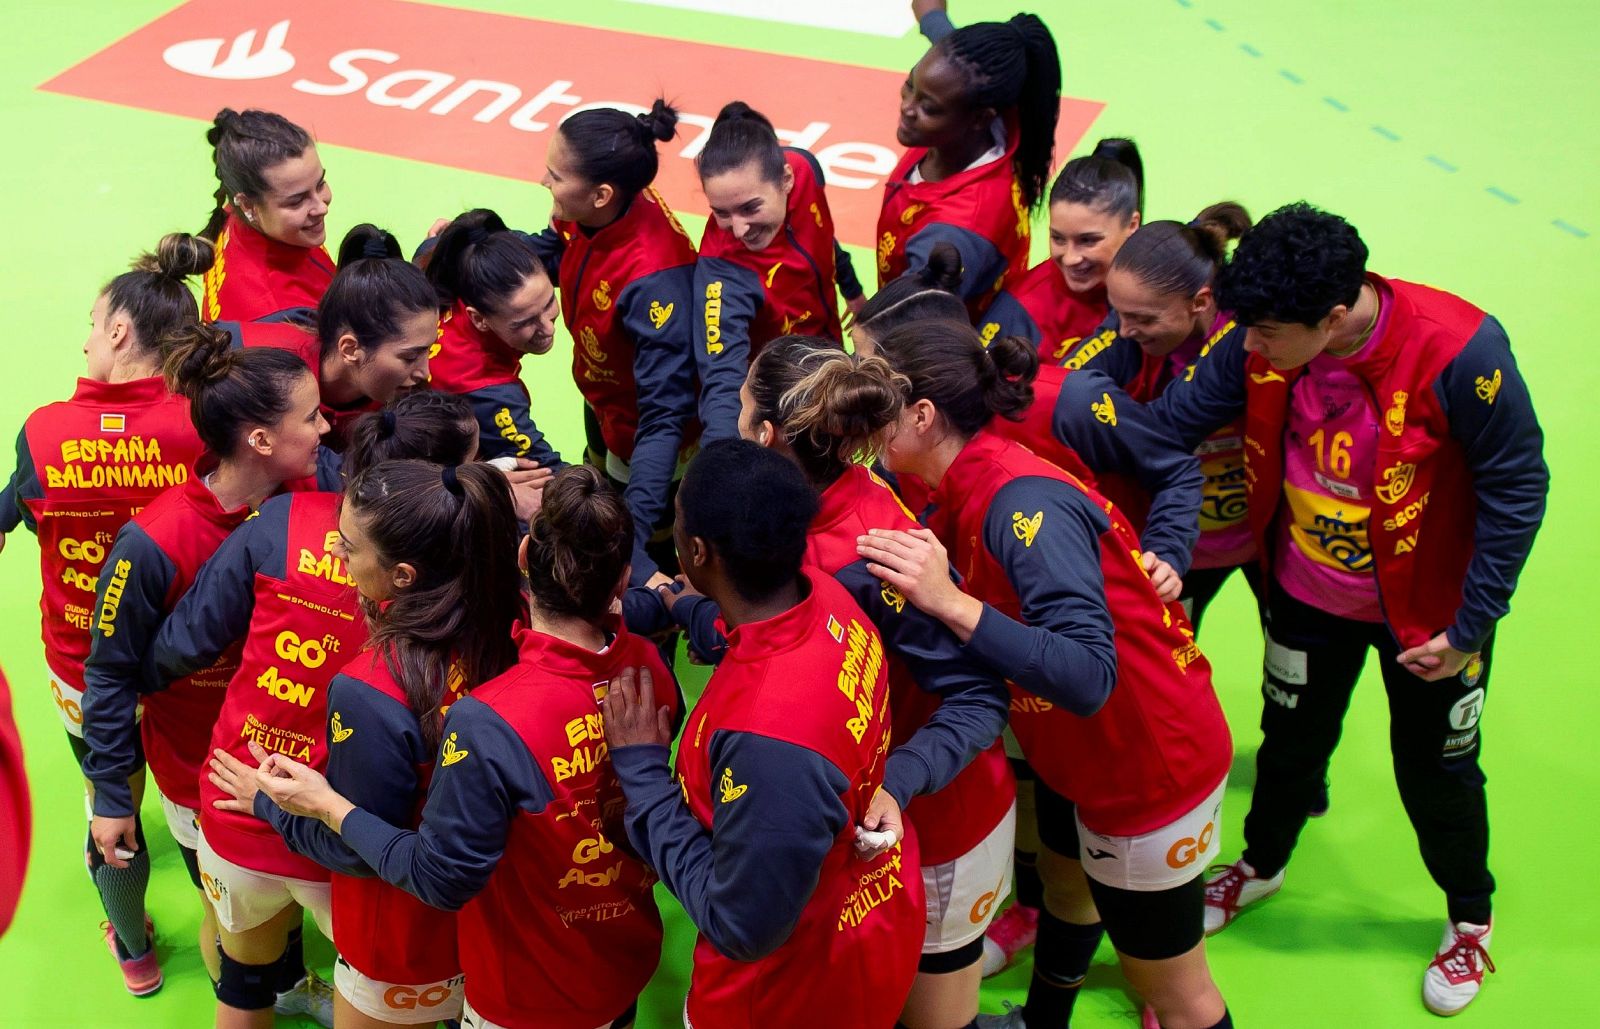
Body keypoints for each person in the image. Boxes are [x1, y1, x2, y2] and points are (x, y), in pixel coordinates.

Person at [1153, 203, 1548, 1017]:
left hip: (1432, 621)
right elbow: (1170, 425)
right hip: (1304, 595)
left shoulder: (1462, 351)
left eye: (1265, 335)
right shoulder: (1261, 333)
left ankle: (1470, 916)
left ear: (1333, 317)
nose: (1248, 348)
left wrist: (1468, 626)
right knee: (1290, 741)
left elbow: (1518, 490)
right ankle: (1261, 865)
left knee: (1437, 774)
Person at [856, 320, 1234, 1029]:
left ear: (921, 415)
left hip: (1147, 765)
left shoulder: (1017, 502)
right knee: (1068, 890)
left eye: (870, 400)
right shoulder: (960, 482)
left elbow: (1089, 674)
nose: (858, 417)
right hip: (1088, 753)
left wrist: (951, 601)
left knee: (1175, 991)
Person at [244, 466, 677, 1029]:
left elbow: (441, 874)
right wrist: (678, 603)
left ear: (526, 554)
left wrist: (312, 805)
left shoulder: (483, 713)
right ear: (622, 581)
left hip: (519, 990)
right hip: (622, 953)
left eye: (349, 548)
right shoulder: (647, 669)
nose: (339, 558)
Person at [655, 341, 1010, 1029]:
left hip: (929, 821)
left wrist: (898, 782)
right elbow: (751, 630)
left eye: (738, 404)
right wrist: (684, 603)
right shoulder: (803, 528)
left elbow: (979, 695)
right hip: (854, 829)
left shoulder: (865, 557)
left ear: (764, 435)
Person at [151, 397, 480, 1029]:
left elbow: (181, 643)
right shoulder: (463, 601)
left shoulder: (277, 521)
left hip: (241, 799)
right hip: (358, 849)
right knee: (381, 999)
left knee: (242, 978)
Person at [608, 440, 925, 1029]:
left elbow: (742, 927)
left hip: (782, 996)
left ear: (697, 551)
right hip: (868, 921)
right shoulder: (823, 595)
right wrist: (684, 607)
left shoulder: (767, 740)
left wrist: (644, 774)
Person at [207, 458, 522, 1027]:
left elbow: (355, 848)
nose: (333, 554)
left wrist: (270, 806)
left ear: (404, 575)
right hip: (499, 913)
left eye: (349, 547)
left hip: (400, 935)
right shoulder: (513, 618)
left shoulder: (372, 688)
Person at [78, 325, 323, 1004]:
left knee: (287, 903)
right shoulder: (151, 544)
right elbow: (110, 672)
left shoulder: (314, 493)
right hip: (199, 772)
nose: (327, 427)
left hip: (300, 758)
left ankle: (289, 981)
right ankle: (254, 998)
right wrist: (109, 795)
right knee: (230, 912)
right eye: (312, 416)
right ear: (262, 441)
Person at [0, 234, 211, 991]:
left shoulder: (46, 430)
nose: (87, 334)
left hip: (83, 669)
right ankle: (238, 940)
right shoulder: (199, 428)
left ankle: (134, 950)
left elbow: (16, 507)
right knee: (196, 805)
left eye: (94, 322)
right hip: (186, 664)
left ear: (121, 332)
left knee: (107, 801)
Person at [532, 100, 699, 587]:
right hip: (604, 396)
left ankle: (656, 632)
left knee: (649, 545)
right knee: (599, 480)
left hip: (647, 432)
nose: (544, 182)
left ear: (601, 194)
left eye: (555, 176)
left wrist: (635, 530)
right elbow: (558, 247)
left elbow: (664, 418)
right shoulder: (597, 211)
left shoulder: (655, 281)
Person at [1081, 203, 1260, 630]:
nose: (1125, 329)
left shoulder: (1245, 338)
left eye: (1142, 318)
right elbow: (1074, 382)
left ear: (1201, 301)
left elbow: (1159, 430)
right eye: (1118, 312)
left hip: (1271, 544)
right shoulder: (1132, 322)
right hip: (1183, 545)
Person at [692, 101, 862, 442]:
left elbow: (825, 236)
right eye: (721, 213)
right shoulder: (721, 274)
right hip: (790, 404)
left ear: (786, 180)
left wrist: (853, 291)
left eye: (750, 208)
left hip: (835, 354)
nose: (738, 229)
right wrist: (724, 459)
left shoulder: (806, 169)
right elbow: (722, 383)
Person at [878, 12, 1061, 315]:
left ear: (980, 118)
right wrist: (932, 19)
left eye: (928, 107)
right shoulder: (981, 107)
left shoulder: (951, 238)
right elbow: (953, 63)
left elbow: (904, 332)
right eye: (910, 85)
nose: (907, 108)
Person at [228, 248, 439, 448]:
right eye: (410, 357)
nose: (425, 373)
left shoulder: (411, 406)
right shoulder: (250, 363)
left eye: (428, 350)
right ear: (349, 349)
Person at [979, 139, 1144, 362]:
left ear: (1132, 225)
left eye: (1088, 240)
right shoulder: (1019, 314)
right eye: (1058, 238)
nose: (1070, 258)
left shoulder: (1162, 282)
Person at [423, 209, 565, 466]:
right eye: (526, 321)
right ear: (479, 318)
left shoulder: (451, 260)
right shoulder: (488, 392)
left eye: (549, 302)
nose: (548, 328)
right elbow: (546, 472)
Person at [199, 107, 335, 323]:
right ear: (247, 204)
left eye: (320, 184)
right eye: (297, 200)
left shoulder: (235, 215)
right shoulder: (282, 315)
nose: (321, 207)